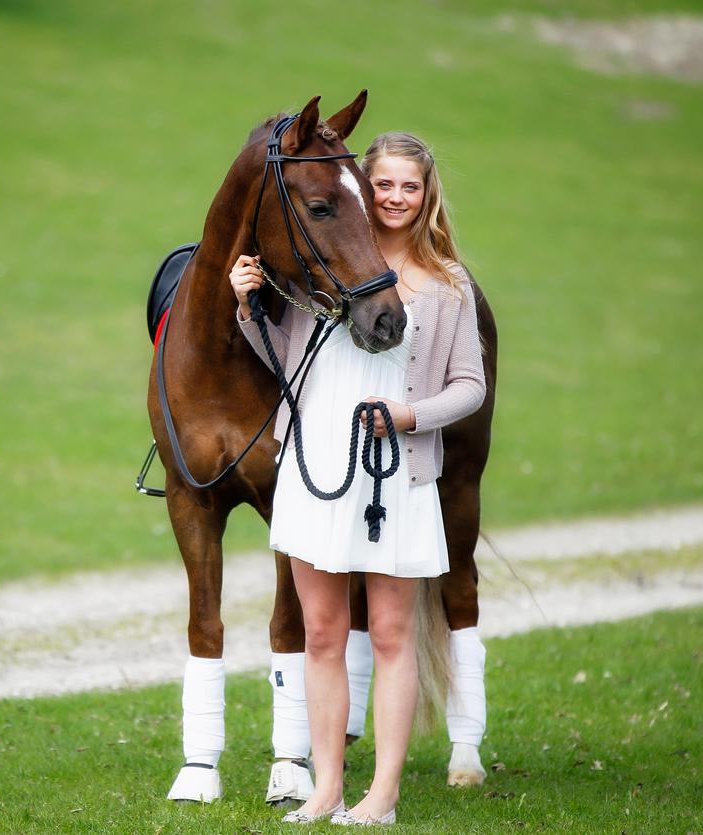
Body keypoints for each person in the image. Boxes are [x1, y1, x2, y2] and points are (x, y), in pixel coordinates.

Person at [229, 132, 486, 826]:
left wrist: (408, 416)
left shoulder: (447, 284)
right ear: (361, 188)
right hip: (316, 466)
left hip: (394, 474)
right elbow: (288, 366)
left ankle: (383, 793)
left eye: (410, 186)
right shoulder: (325, 265)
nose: (395, 197)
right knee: (321, 633)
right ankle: (327, 787)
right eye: (383, 184)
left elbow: (470, 385)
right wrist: (248, 306)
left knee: (393, 633)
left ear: (426, 196)